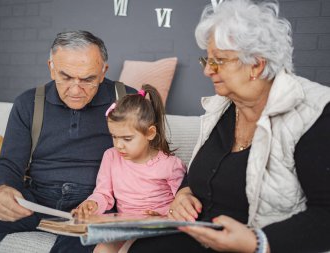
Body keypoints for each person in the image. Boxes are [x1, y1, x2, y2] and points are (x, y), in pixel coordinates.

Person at [128, 0, 330, 253]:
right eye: (207, 60)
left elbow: (326, 215)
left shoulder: (314, 114)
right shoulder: (222, 107)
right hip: (199, 238)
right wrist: (184, 193)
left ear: (257, 64)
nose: (208, 71)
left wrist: (258, 242)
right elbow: (201, 172)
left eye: (219, 61)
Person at [0, 30, 136, 253]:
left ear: (103, 71)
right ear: (51, 68)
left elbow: (156, 158)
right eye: (66, 77)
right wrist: (1, 190)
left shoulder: (127, 100)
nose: (76, 90)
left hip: (96, 204)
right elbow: (9, 162)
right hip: (35, 198)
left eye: (88, 79)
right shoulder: (28, 103)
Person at [73, 84, 187, 253]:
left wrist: (166, 215)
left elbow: (183, 202)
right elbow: (103, 193)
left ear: (150, 133)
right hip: (124, 227)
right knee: (101, 250)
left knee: (128, 250)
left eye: (127, 138)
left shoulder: (170, 164)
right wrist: (92, 204)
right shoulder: (110, 157)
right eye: (114, 137)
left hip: (159, 228)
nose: (119, 145)